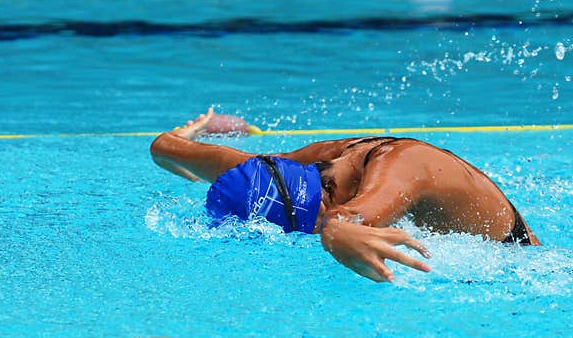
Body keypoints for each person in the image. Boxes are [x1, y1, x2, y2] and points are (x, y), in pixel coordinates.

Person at [150, 109, 540, 283]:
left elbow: (344, 226)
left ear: (320, 209)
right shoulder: (287, 169)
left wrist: (335, 234)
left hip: (527, 268)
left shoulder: (401, 168)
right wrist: (183, 136)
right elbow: (163, 148)